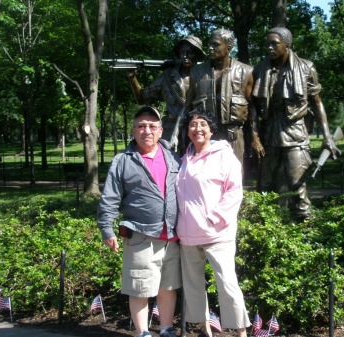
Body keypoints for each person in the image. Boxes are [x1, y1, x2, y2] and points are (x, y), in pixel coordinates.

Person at [97, 106, 181, 337]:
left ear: (161, 131)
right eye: (141, 126)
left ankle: (165, 328)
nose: (147, 131)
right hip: (141, 236)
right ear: (133, 131)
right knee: (139, 287)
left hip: (172, 237)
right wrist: (107, 229)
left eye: (152, 126)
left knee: (168, 286)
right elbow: (110, 197)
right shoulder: (123, 161)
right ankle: (143, 332)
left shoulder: (174, 157)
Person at [175, 108, 250, 337]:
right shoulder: (184, 158)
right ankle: (204, 329)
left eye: (203, 125)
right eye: (192, 125)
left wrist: (214, 218)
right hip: (188, 235)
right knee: (193, 286)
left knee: (227, 284)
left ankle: (241, 332)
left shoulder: (224, 155)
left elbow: (234, 191)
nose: (197, 129)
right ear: (187, 131)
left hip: (217, 234)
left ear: (211, 130)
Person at [252, 27, 338, 221]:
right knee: (264, 184)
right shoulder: (260, 69)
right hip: (269, 134)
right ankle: (264, 229)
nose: (269, 47)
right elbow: (254, 108)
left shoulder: (306, 68)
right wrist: (255, 137)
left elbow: (317, 104)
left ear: (287, 45)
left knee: (297, 185)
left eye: (274, 43)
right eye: (267, 44)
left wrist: (327, 136)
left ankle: (303, 229)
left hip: (295, 133)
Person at [186, 28, 264, 167]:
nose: (210, 48)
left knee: (233, 177)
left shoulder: (245, 71)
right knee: (205, 177)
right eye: (209, 44)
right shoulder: (197, 72)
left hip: (233, 136)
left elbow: (252, 108)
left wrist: (255, 138)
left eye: (215, 45)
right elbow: (187, 105)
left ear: (228, 47)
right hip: (206, 136)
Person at [127, 35, 206, 150]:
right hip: (170, 131)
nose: (184, 56)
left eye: (189, 53)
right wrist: (132, 79)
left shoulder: (205, 77)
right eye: (182, 52)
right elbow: (141, 98)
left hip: (197, 131)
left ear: (197, 55)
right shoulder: (168, 77)